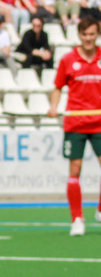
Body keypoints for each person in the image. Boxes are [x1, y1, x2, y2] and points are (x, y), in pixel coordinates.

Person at [48, 17, 101, 237]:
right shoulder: (68, 59)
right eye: (85, 34)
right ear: (79, 35)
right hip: (76, 123)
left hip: (99, 124)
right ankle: (77, 218)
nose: (88, 38)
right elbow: (57, 87)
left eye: (92, 34)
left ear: (97, 35)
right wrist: (53, 107)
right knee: (75, 169)